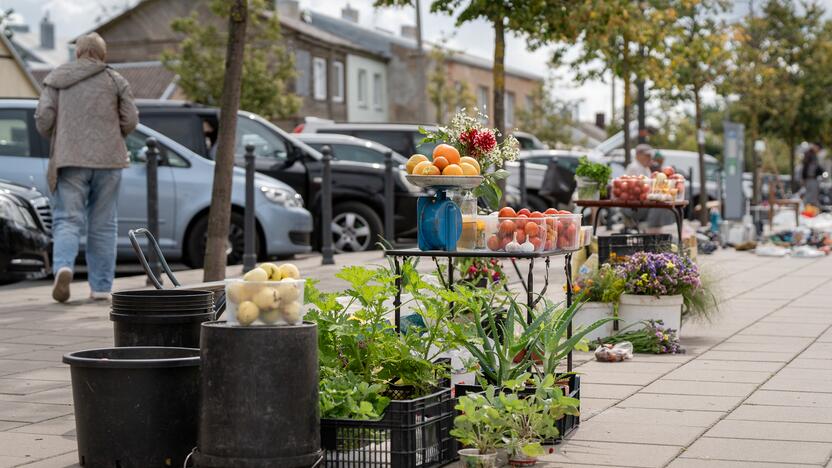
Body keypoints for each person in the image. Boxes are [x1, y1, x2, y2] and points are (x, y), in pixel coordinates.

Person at [35, 33, 138, 303]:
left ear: (78, 53)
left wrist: (59, 133)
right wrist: (114, 135)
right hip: (109, 160)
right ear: (102, 55)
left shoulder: (57, 79)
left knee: (67, 219)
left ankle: (64, 267)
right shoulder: (115, 79)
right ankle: (102, 287)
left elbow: (44, 119)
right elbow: (130, 120)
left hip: (70, 159)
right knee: (104, 224)